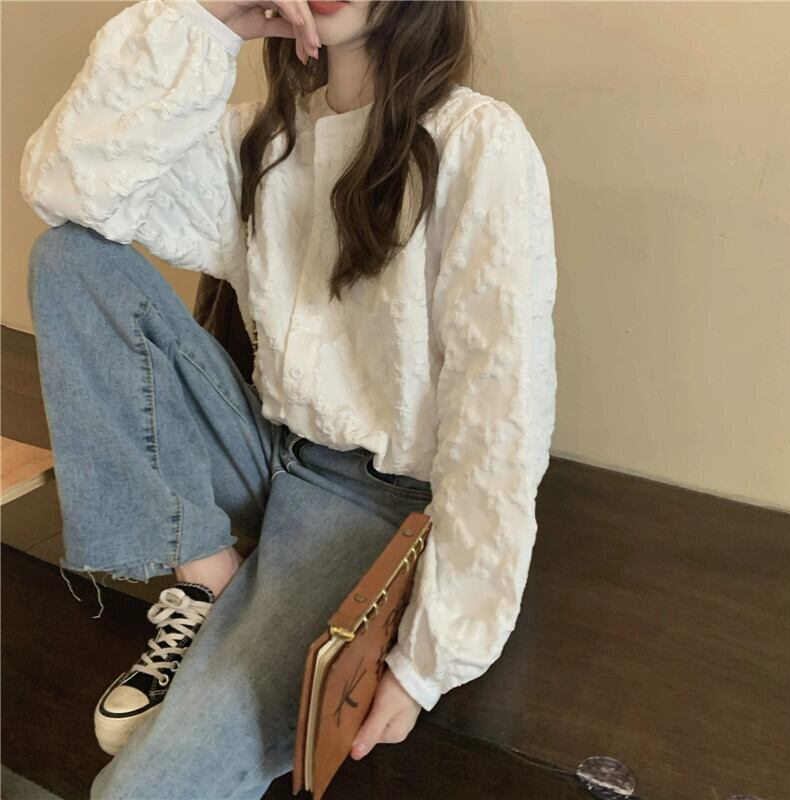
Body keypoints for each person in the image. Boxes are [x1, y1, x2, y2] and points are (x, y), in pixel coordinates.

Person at [19, 0, 558, 796]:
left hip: (378, 502)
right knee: (68, 257)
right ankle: (208, 575)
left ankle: (218, 615)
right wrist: (211, 19)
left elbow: (500, 417)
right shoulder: (264, 139)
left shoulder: (479, 143)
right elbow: (71, 189)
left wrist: (428, 662)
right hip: (267, 448)